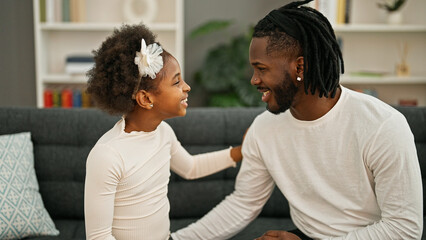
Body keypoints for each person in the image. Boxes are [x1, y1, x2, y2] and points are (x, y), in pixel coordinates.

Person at [171, 0, 423, 239]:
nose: (254, 80)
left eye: (262, 68)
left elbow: (404, 228)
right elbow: (243, 203)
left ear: (299, 67)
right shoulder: (265, 128)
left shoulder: (382, 126)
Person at [84, 24, 242, 240]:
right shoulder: (107, 155)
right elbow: (98, 237)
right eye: (177, 82)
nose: (186, 87)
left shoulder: (163, 133)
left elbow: (191, 168)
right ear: (146, 99)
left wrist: (240, 152)